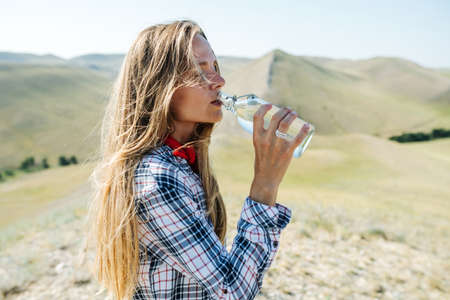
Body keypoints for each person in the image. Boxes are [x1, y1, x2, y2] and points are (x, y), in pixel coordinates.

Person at [85, 19, 310, 300]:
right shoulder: (158, 180)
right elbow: (232, 292)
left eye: (215, 67)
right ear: (160, 85)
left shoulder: (181, 165)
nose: (219, 80)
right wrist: (266, 182)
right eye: (198, 70)